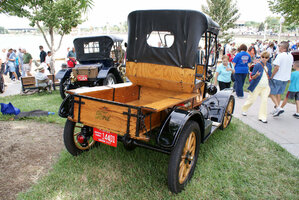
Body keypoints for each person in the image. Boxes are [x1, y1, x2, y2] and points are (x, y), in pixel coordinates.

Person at [241, 51, 272, 123]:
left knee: (264, 101)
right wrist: (256, 75)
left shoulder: (269, 66)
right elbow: (252, 76)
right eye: (263, 57)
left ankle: (262, 117)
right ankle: (244, 109)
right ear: (260, 57)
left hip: (265, 86)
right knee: (252, 99)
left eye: (266, 57)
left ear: (268, 58)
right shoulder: (257, 65)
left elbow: (269, 75)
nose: (264, 59)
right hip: (256, 86)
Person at [270, 41, 294, 117]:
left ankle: (278, 107)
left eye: (280, 47)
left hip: (278, 77)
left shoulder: (280, 55)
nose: (279, 48)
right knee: (278, 93)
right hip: (285, 78)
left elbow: (276, 67)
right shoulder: (290, 55)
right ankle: (277, 108)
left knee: (271, 93)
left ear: (283, 48)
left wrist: (272, 75)